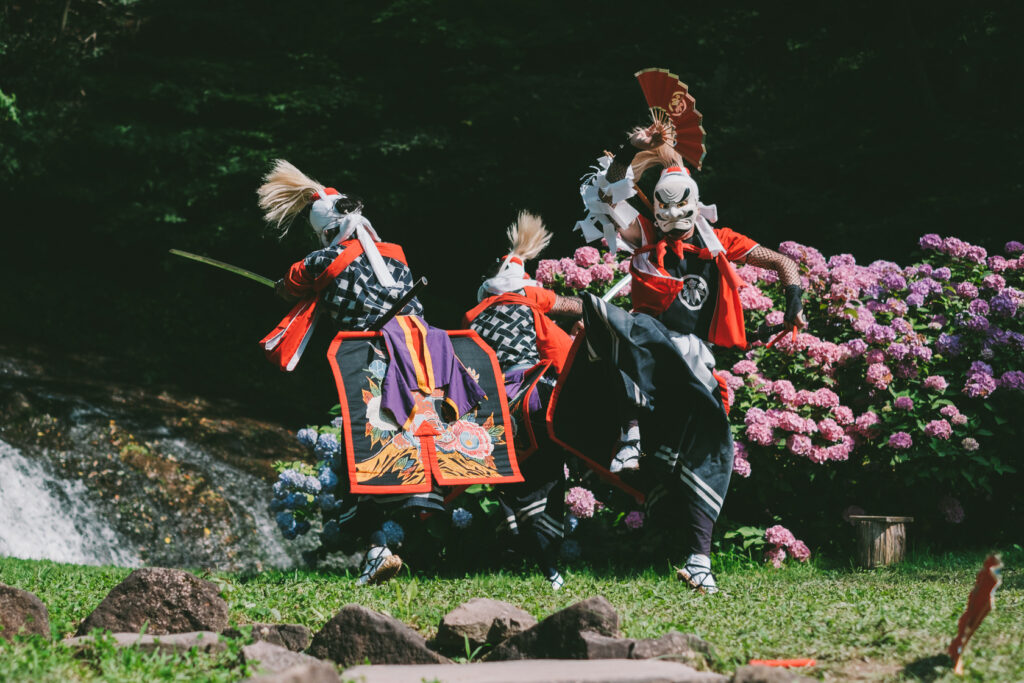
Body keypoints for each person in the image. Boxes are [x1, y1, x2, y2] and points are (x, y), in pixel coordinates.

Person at [550, 121, 805, 594]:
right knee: (618, 318)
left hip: (693, 361)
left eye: (681, 211)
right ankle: (629, 432)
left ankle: (700, 560)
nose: (674, 222)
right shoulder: (645, 234)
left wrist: (793, 304)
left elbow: (784, 261)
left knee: (711, 446)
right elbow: (608, 193)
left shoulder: (720, 241)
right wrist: (632, 150)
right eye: (664, 210)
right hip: (645, 350)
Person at [258, 159, 483, 585]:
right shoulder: (397, 253)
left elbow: (292, 283)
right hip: (430, 357)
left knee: (364, 453)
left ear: (327, 230)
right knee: (412, 447)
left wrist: (281, 289)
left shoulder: (327, 258)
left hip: (380, 362)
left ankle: (377, 543)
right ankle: (387, 545)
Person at [462, 212, 583, 590]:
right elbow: (562, 358)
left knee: (510, 473)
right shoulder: (531, 307)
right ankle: (549, 563)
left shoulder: (473, 320)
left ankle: (511, 524)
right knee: (548, 473)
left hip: (486, 410)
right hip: (530, 400)